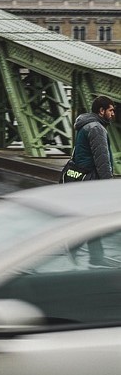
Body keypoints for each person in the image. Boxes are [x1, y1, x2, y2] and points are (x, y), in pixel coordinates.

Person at [71, 95, 115, 267]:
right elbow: (102, 160)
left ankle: (95, 256)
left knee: (93, 220)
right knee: (94, 220)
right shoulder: (96, 128)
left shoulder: (86, 125)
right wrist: (108, 186)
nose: (113, 114)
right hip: (92, 181)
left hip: (84, 180)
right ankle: (77, 247)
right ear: (101, 111)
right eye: (110, 110)